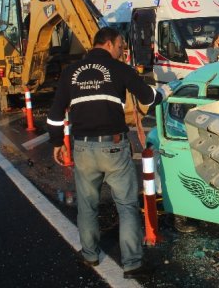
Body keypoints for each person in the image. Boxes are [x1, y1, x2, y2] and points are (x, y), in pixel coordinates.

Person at [46, 27, 170, 278]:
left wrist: (57, 142)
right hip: (113, 146)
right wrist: (167, 92)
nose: (123, 50)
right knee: (126, 205)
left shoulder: (71, 72)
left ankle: (90, 255)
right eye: (121, 45)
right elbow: (148, 97)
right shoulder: (119, 69)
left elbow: (55, 114)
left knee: (87, 204)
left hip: (82, 147)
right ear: (109, 44)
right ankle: (132, 263)